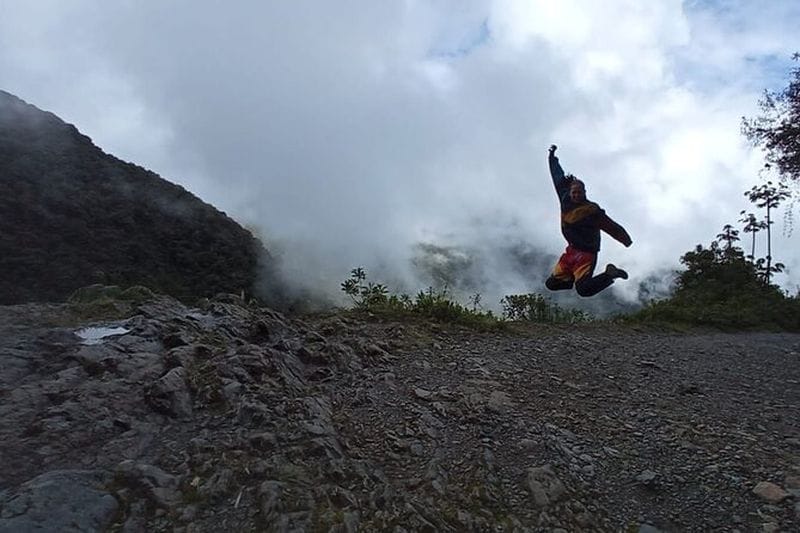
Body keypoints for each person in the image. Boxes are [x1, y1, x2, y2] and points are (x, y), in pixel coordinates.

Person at [545, 144, 632, 297]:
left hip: (587, 253)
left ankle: (610, 274)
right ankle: (571, 278)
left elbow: (611, 226)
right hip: (571, 250)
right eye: (574, 192)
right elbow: (557, 176)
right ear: (570, 192)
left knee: (584, 290)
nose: (576, 195)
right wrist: (552, 158)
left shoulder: (591, 211)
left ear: (584, 193)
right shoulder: (565, 198)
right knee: (551, 284)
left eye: (579, 193)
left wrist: (625, 240)